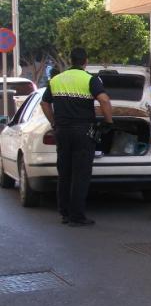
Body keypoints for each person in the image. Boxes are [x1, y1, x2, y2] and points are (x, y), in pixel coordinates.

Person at [41, 47, 113, 227]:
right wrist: (109, 121)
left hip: (62, 132)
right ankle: (77, 217)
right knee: (80, 175)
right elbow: (104, 100)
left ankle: (64, 213)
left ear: (70, 60)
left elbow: (44, 103)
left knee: (64, 173)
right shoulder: (90, 79)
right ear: (85, 61)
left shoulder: (56, 80)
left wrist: (54, 122)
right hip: (82, 132)